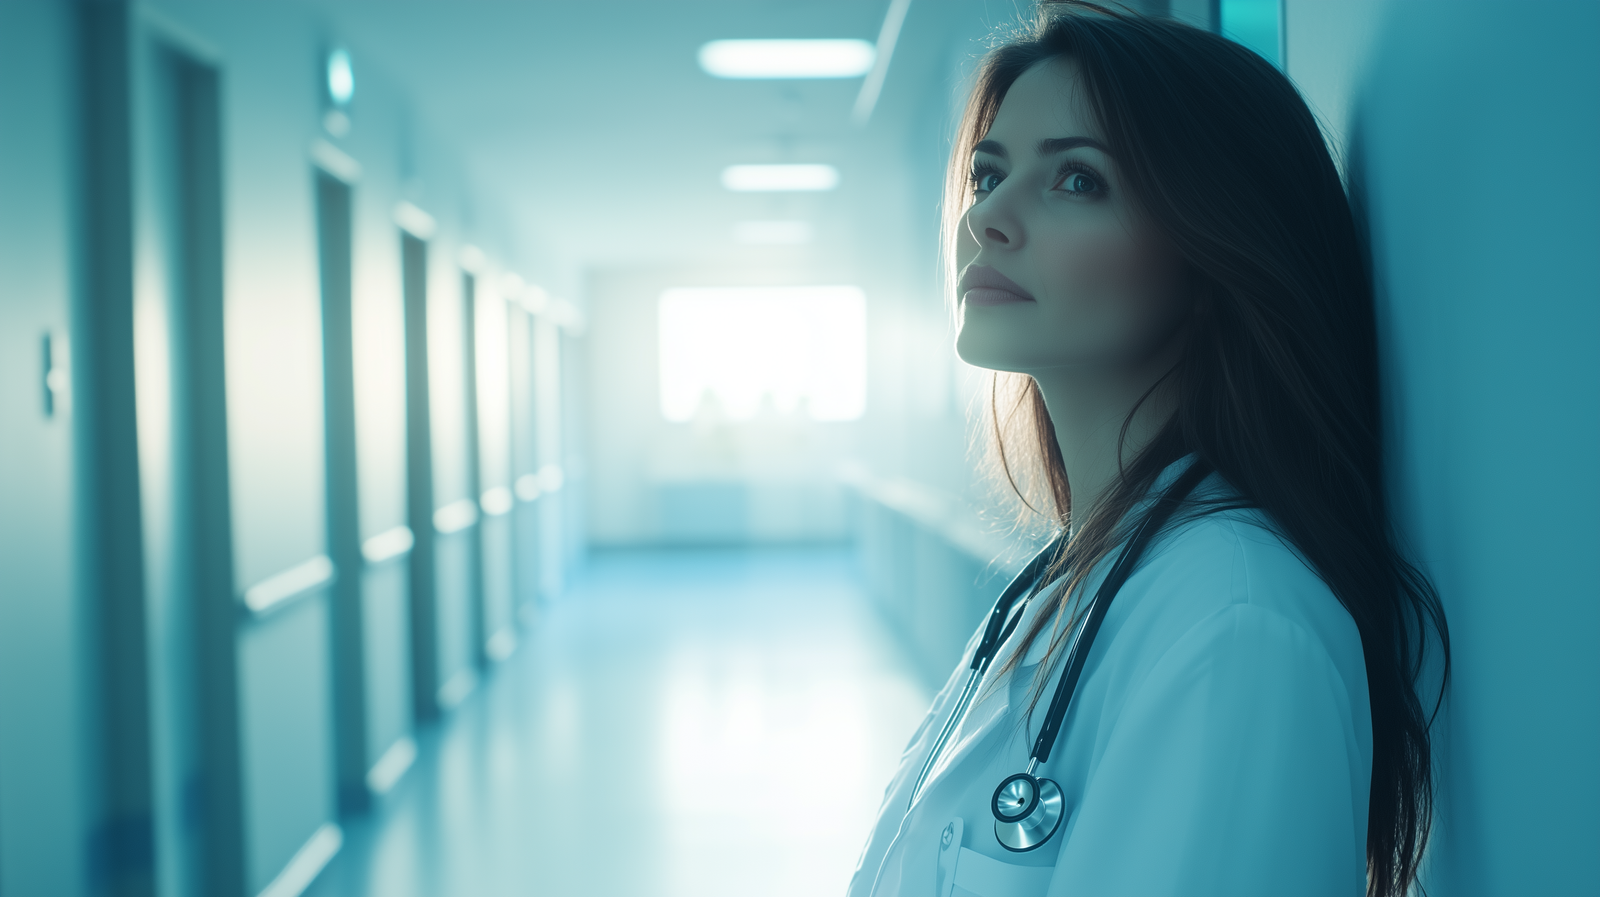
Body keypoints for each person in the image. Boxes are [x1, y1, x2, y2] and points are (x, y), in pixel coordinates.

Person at [847, 4, 1448, 896]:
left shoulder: (1237, 623)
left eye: (1077, 181)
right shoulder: (1070, 584)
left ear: (1212, 255)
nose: (989, 220)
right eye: (988, 175)